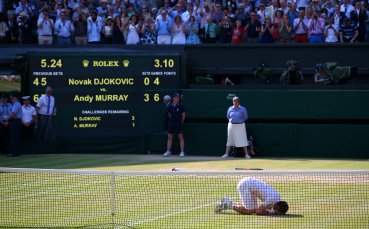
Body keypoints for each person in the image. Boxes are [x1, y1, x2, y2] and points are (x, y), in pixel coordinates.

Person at [215, 177, 289, 215]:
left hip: (250, 186)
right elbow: (258, 211)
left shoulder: (276, 199)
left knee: (252, 208)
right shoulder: (272, 199)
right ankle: (226, 205)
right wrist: (271, 213)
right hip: (246, 185)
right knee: (248, 211)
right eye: (277, 212)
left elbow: (265, 209)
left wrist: (268, 211)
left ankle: (229, 202)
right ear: (278, 207)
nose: (276, 212)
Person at [163, 93, 186, 157]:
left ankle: (182, 152)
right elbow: (169, 114)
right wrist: (172, 120)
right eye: (175, 97)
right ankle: (168, 151)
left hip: (178, 124)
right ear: (173, 98)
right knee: (169, 138)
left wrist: (180, 122)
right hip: (171, 124)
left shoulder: (181, 106)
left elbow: (183, 115)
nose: (176, 99)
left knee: (181, 138)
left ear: (179, 99)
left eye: (178, 98)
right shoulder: (169, 106)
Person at [6, 92, 22, 157]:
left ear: (15, 97)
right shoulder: (16, 104)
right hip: (16, 121)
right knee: (16, 138)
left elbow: (13, 114)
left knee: (14, 138)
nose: (11, 99)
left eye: (12, 97)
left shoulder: (16, 104)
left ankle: (14, 153)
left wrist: (7, 119)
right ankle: (17, 152)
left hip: (15, 122)